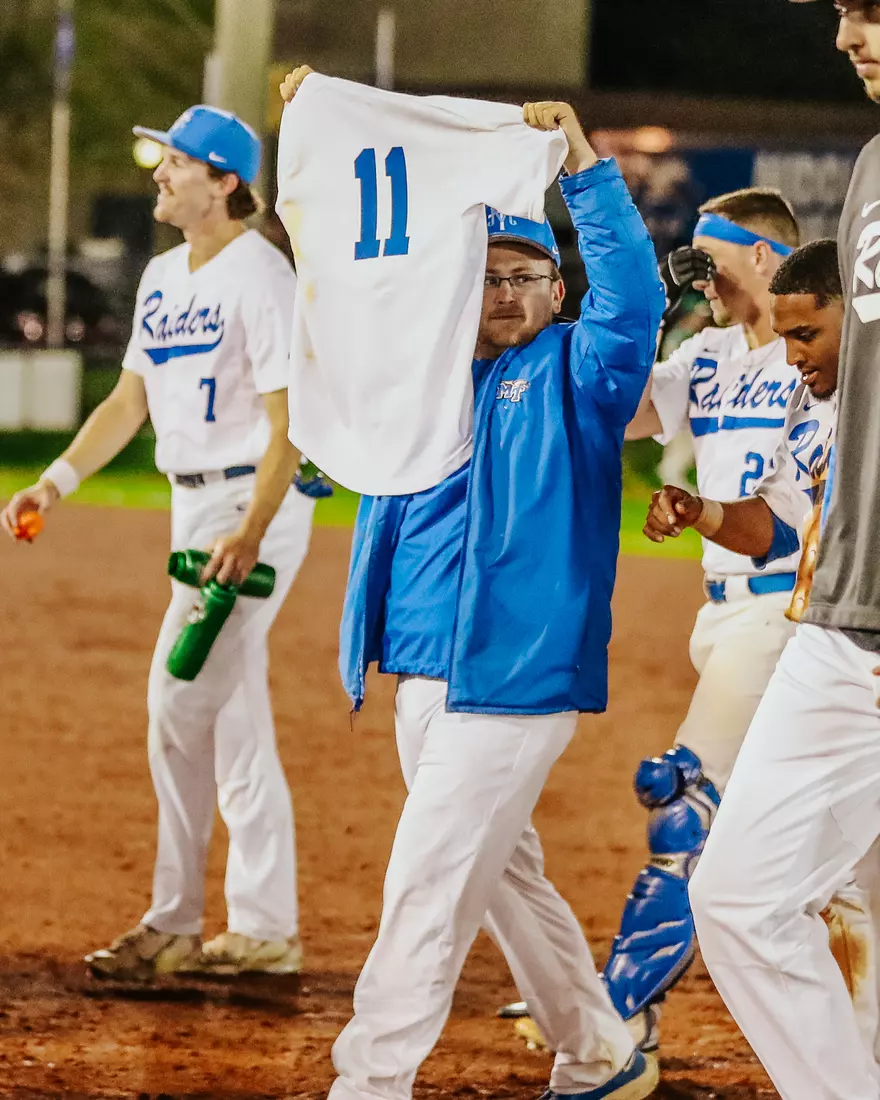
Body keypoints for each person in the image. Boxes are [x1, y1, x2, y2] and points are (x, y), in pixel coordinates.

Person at [279, 70, 665, 1100]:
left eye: (522, 275)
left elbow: (637, 295)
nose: (501, 293)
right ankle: (598, 1050)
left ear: (556, 289)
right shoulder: (419, 386)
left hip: (515, 675)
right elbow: (350, 320)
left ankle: (370, 1080)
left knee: (428, 880)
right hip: (416, 671)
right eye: (484, 276)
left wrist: (584, 169)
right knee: (500, 873)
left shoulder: (582, 371)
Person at [1, 105, 320, 981]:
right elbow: (126, 403)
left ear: (226, 182)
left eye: (178, 162)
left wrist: (252, 532)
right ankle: (264, 928)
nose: (160, 174)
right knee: (233, 721)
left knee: (177, 702)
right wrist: (54, 481)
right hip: (194, 509)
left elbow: (290, 424)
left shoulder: (261, 276)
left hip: (249, 509)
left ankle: (175, 920)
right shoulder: (162, 275)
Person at [503, 187, 806, 1049]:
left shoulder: (817, 355)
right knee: (830, 856)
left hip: (785, 610)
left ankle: (619, 1016)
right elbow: (619, 408)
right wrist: (656, 308)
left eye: (710, 257)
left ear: (764, 254)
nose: (698, 272)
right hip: (723, 618)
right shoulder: (706, 352)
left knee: (684, 800)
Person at [689, 4, 880, 1097]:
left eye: (870, 7)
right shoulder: (867, 169)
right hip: (840, 611)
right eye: (845, 13)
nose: (849, 33)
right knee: (740, 896)